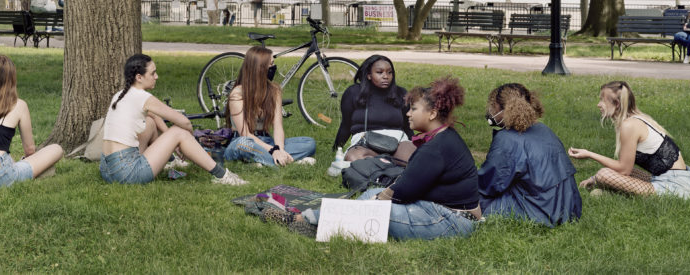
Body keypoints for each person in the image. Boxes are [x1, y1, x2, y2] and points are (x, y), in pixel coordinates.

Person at [271, 76, 480, 239]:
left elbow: (405, 190)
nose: (408, 114)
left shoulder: (437, 146)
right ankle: (319, 224)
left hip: (451, 221)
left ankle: (304, 220)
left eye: (414, 109)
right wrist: (379, 196)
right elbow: (407, 184)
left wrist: (379, 201)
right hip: (438, 209)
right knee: (373, 193)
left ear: (433, 113)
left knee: (373, 208)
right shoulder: (442, 138)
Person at [100, 54, 246, 185]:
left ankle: (169, 160)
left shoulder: (121, 95)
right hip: (126, 174)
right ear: (139, 77)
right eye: (153, 73)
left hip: (107, 169)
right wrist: (187, 139)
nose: (156, 76)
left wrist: (173, 145)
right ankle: (223, 176)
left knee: (150, 122)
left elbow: (155, 116)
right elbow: (184, 122)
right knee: (179, 132)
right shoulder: (143, 97)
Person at [567, 80, 690, 199]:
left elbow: (624, 170)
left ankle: (612, 190)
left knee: (604, 174)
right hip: (669, 179)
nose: (598, 104)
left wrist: (589, 154)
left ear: (616, 104)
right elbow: (626, 167)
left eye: (602, 100)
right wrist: (594, 179)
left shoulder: (629, 125)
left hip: (675, 186)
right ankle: (612, 190)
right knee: (606, 174)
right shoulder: (635, 119)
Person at [478, 83, 581, 226]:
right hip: (569, 208)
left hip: (540, 211)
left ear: (502, 108)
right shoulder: (544, 129)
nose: (490, 111)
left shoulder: (507, 139)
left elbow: (489, 184)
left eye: (492, 106)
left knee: (470, 199)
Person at [0, 55, 63, 187]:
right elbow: (30, 149)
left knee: (9, 161)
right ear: (12, 79)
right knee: (56, 148)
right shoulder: (19, 105)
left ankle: (10, 164)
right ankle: (14, 167)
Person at [222, 46, 317, 167]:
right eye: (270, 64)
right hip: (243, 141)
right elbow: (245, 133)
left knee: (309, 143)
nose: (273, 67)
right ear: (259, 68)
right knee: (243, 144)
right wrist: (272, 151)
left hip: (266, 140)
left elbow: (278, 127)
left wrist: (279, 149)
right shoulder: (238, 93)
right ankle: (288, 161)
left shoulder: (274, 90)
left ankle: (264, 160)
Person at [332, 55, 414, 164]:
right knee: (354, 158)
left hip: (397, 141)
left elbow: (407, 127)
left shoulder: (401, 93)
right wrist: (337, 148)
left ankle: (381, 165)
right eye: (380, 72)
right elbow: (346, 125)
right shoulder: (353, 93)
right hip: (365, 142)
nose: (386, 76)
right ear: (369, 75)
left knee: (413, 158)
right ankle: (387, 165)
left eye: (390, 72)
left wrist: (414, 145)